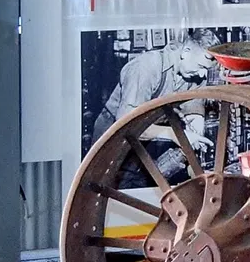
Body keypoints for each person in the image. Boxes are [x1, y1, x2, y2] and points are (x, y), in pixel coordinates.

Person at [92, 37, 216, 184]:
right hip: (114, 134)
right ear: (186, 52)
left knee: (143, 184)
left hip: (151, 133)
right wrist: (175, 135)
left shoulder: (194, 75)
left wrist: (196, 132)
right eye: (201, 66)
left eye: (206, 70)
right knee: (113, 188)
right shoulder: (146, 67)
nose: (202, 75)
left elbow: (193, 107)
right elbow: (127, 126)